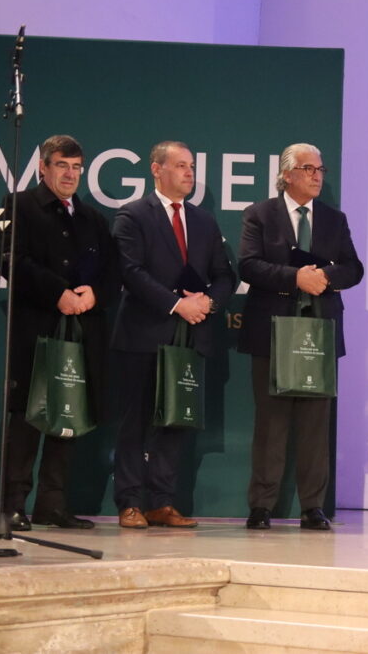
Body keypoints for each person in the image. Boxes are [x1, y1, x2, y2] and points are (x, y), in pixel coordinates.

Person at [0, 134, 118, 531]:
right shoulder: (18, 205)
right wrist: (58, 293)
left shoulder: (94, 219)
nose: (70, 174)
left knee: (68, 414)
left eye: (77, 167)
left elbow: (113, 273)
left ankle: (52, 504)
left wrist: (94, 294)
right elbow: (7, 258)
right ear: (43, 167)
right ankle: (12, 506)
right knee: (27, 419)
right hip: (35, 331)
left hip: (81, 332)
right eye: (62, 165)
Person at [110, 141, 235, 529]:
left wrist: (208, 302)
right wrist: (177, 304)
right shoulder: (132, 216)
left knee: (176, 420)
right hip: (142, 336)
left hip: (189, 338)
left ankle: (162, 502)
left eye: (191, 166)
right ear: (156, 169)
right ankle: (130, 502)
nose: (189, 172)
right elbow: (130, 272)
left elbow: (225, 275)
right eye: (180, 165)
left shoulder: (204, 221)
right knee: (134, 423)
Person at [238, 142, 363, 531]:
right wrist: (295, 277)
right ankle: (262, 506)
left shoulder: (334, 220)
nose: (316, 176)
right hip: (272, 331)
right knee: (271, 424)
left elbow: (354, 268)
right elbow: (248, 266)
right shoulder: (260, 214)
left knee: (314, 425)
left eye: (320, 169)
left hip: (318, 332)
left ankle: (313, 507)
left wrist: (323, 277)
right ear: (287, 174)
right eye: (308, 169)